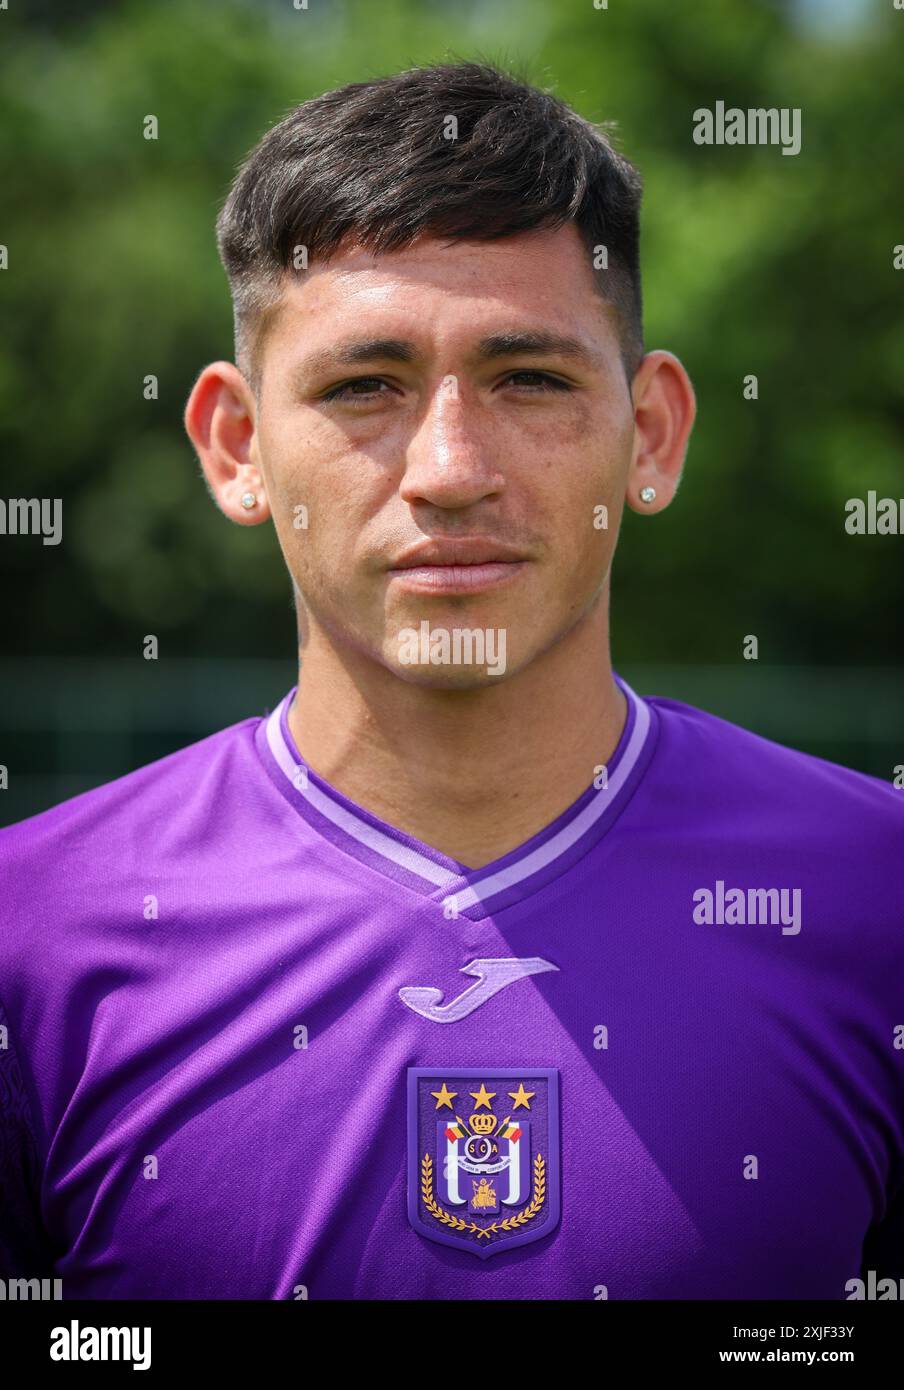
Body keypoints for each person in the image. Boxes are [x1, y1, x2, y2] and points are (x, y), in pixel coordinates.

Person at [1, 61, 901, 1301]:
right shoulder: (32, 934)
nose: (449, 468)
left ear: (650, 434)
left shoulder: (874, 897)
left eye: (529, 378)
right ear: (237, 446)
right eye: (363, 386)